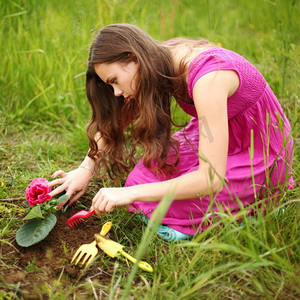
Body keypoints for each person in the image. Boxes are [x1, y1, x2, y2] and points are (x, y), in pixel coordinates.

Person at [48, 23, 294, 241]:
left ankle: (255, 210)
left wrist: (127, 193)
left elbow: (210, 179)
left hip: (258, 152)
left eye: (114, 81)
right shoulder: (157, 59)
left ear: (133, 59)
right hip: (218, 133)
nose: (116, 92)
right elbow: (117, 121)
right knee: (141, 179)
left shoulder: (209, 79)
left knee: (157, 199)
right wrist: (85, 169)